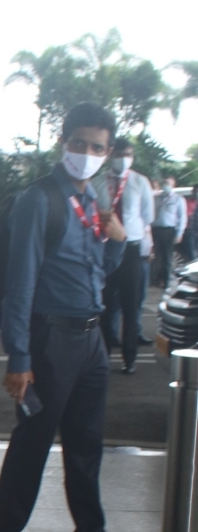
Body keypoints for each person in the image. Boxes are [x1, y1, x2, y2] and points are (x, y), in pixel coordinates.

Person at [0, 102, 148, 532]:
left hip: (91, 339)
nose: (87, 153)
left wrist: (118, 242)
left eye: (97, 147)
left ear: (109, 151)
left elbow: (99, 272)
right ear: (64, 143)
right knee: (33, 440)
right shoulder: (40, 200)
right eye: (79, 143)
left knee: (87, 443)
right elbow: (21, 283)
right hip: (50, 338)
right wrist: (19, 357)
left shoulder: (91, 200)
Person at [96, 138, 152, 374]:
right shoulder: (97, 183)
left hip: (131, 248)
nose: (123, 158)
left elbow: (147, 217)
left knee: (131, 305)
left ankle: (130, 357)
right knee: (106, 304)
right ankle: (103, 355)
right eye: (119, 153)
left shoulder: (140, 182)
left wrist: (148, 248)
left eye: (128, 154)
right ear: (110, 154)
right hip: (106, 247)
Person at [152, 173, 188, 289]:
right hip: (156, 230)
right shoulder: (157, 198)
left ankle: (166, 281)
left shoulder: (178, 199)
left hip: (169, 231)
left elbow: (182, 217)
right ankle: (156, 279)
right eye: (164, 183)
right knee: (156, 256)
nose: (164, 185)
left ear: (173, 185)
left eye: (167, 183)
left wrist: (179, 233)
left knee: (167, 257)